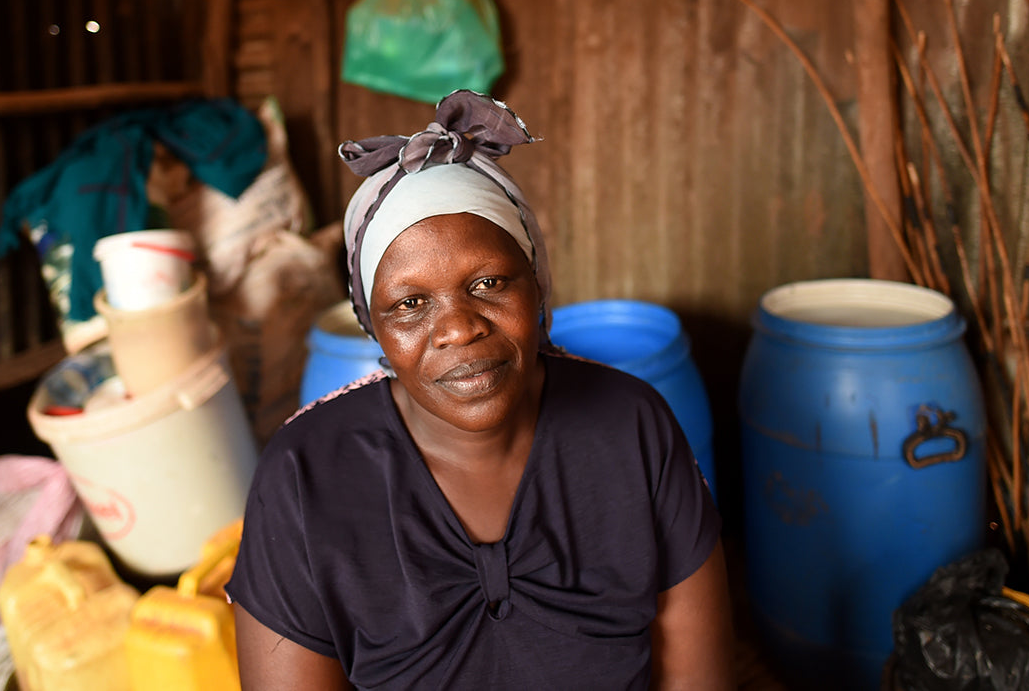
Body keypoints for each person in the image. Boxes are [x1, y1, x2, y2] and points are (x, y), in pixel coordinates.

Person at [225, 90, 736, 689]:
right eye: (410, 304)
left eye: (490, 282)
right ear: (374, 325)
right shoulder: (306, 476)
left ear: (537, 287)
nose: (459, 328)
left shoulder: (632, 428)